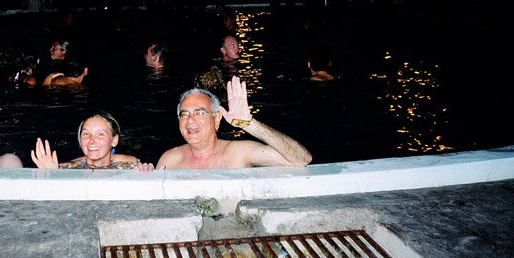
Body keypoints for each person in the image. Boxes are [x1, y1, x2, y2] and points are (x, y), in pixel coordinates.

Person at [155, 76, 312, 169]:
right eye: (184, 114)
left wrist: (250, 124)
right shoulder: (170, 160)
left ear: (216, 119)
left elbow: (301, 160)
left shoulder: (238, 153)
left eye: (200, 112)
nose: (190, 120)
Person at [31, 112, 153, 172]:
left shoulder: (130, 164)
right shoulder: (67, 168)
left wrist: (147, 171)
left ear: (114, 140)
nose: (91, 140)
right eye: (86, 134)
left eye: (100, 134)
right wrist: (51, 175)